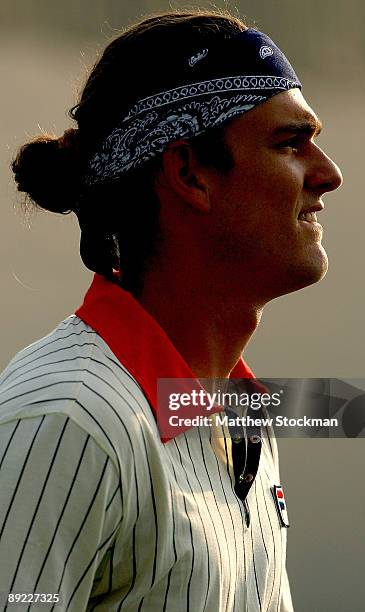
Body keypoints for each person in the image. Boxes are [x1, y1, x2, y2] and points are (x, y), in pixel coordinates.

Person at [0, 9, 342, 611]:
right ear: (188, 173)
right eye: (290, 143)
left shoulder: (243, 414)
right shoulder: (66, 420)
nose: (328, 174)